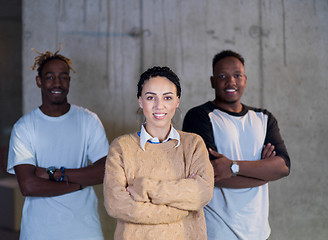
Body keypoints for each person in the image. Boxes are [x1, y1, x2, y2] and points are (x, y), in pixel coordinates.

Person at [182, 50, 291, 240]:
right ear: (212, 81)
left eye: (237, 75)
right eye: (222, 76)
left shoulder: (264, 118)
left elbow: (283, 167)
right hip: (216, 231)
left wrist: (232, 167)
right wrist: (264, 174)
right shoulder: (199, 116)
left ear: (245, 80)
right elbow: (209, 175)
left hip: (259, 232)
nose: (231, 81)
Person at [7, 45, 109, 240]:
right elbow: (29, 185)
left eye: (63, 77)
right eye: (50, 77)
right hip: (39, 231)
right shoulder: (24, 127)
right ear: (39, 81)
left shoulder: (88, 120)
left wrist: (53, 173)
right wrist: (78, 185)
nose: (57, 83)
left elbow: (106, 171)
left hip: (84, 230)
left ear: (69, 81)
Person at [103, 66, 214, 240]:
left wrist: (144, 188)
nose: (159, 106)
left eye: (167, 97)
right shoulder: (121, 147)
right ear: (140, 101)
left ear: (177, 101)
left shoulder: (193, 144)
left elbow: (202, 193)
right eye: (150, 97)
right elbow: (116, 204)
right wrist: (182, 206)